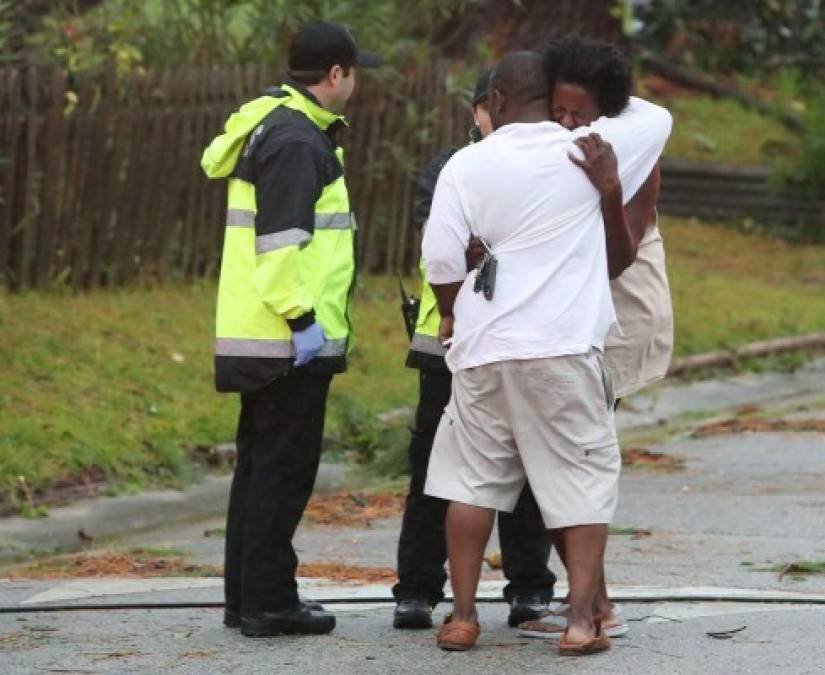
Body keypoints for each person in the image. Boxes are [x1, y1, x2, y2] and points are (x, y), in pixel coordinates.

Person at [421, 51, 672, 655]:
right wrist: (607, 179)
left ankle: (461, 617)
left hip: (484, 349)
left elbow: (440, 258)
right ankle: (583, 623)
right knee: (580, 482)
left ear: (498, 101)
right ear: (548, 96)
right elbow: (654, 118)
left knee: (472, 483)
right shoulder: (591, 152)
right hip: (562, 347)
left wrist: (453, 307)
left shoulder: (466, 163)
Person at [201, 21, 381, 638]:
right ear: (336, 74)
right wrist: (304, 322)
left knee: (259, 473)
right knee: (280, 475)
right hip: (286, 343)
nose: (354, 84)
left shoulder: (276, 127)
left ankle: (247, 600)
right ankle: (270, 604)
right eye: (354, 73)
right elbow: (278, 249)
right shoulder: (297, 141)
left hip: (263, 338)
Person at [516, 37, 673, 642]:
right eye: (558, 110)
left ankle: (597, 605)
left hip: (614, 321)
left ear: (606, 113)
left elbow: (616, 258)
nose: (566, 123)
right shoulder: (557, 149)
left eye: (579, 115)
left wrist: (608, 188)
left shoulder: (632, 156)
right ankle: (592, 600)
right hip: (571, 323)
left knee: (574, 463)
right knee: (561, 462)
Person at [393, 69, 556, 631]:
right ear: (479, 110)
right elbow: (450, 247)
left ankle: (530, 586)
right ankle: (416, 589)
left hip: (520, 338)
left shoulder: (544, 163)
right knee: (432, 469)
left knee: (529, 468)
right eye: (492, 108)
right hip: (448, 339)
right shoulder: (448, 168)